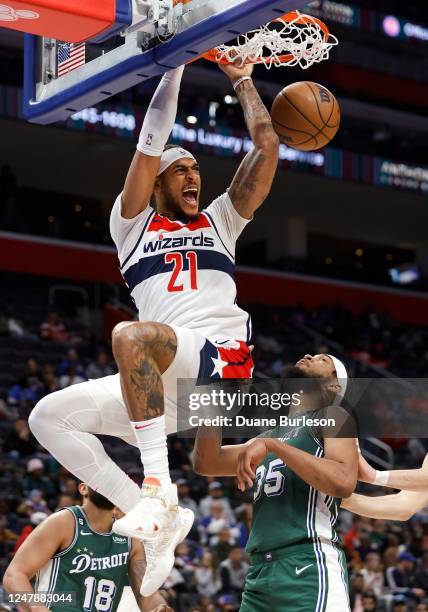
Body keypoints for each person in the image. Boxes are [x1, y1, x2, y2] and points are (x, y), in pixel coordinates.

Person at [29, 58, 279, 596]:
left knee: (130, 335)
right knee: (48, 418)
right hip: (165, 385)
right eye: (181, 169)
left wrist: (242, 80)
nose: (194, 175)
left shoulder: (220, 221)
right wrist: (175, 62)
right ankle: (150, 510)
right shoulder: (131, 225)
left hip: (223, 360)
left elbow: (267, 148)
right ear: (159, 182)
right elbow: (150, 139)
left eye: (196, 169)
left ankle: (160, 489)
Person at [193, 353, 357, 611]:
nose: (308, 355)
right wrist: (213, 402)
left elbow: (343, 481)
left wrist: (274, 447)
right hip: (260, 571)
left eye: (322, 359)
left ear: (334, 386)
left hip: (308, 564)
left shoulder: (333, 416)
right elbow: (207, 462)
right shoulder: (269, 435)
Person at [3, 483, 171, 612]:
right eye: (99, 479)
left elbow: (145, 594)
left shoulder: (130, 537)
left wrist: (161, 607)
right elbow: (12, 577)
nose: (106, 483)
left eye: (112, 480)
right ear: (83, 488)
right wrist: (36, 607)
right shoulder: (64, 522)